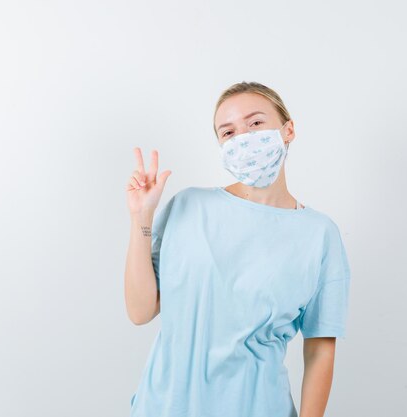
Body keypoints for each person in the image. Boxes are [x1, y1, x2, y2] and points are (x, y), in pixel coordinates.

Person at [124, 81, 352, 417]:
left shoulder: (320, 235)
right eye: (228, 132)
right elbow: (141, 311)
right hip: (163, 407)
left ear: (288, 130)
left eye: (255, 123)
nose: (243, 137)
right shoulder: (188, 206)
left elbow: (320, 349)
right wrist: (141, 216)